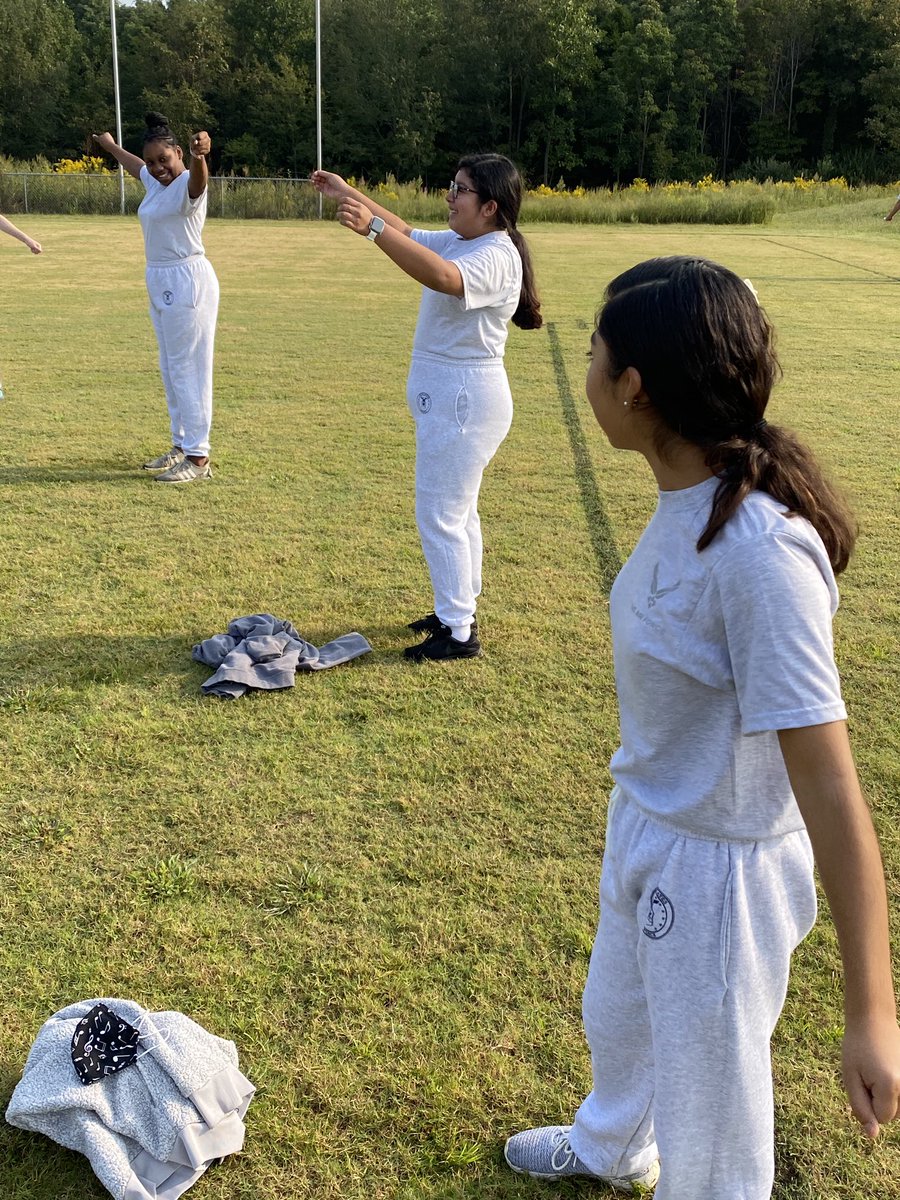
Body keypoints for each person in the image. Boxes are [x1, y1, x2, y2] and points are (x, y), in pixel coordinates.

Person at [504, 257, 900, 1197]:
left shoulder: (760, 553)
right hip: (652, 822)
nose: (588, 369)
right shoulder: (691, 496)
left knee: (713, 1119)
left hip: (719, 874)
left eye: (596, 354)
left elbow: (833, 785)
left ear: (634, 388)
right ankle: (613, 1147)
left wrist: (872, 1011)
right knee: (621, 1021)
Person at [312, 157, 542, 660]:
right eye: (452, 186)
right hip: (454, 400)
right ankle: (457, 607)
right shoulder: (468, 240)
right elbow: (408, 232)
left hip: (465, 402)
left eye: (460, 190)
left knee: (441, 512)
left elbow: (442, 277)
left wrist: (370, 229)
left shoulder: (495, 254)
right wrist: (348, 192)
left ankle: (459, 633)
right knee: (457, 512)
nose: (449, 196)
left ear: (490, 207)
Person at [93, 113, 219, 483]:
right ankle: (181, 445)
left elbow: (199, 182)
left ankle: (198, 459)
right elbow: (136, 167)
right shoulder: (155, 184)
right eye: (152, 161)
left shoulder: (187, 185)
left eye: (164, 159)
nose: (157, 168)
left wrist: (201, 157)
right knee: (171, 367)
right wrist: (109, 145)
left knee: (189, 368)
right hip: (161, 278)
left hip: (187, 279)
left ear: (178, 153)